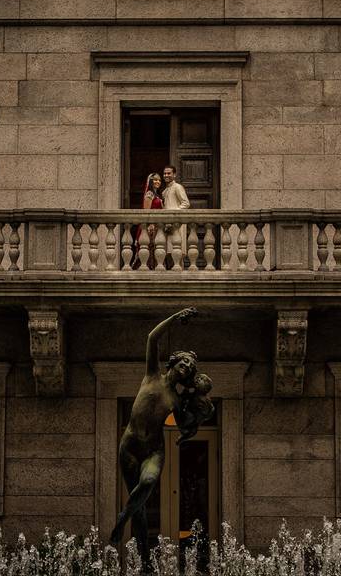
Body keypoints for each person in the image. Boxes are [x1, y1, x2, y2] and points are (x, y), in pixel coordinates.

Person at [110, 307, 199, 565]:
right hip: (129, 445)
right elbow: (152, 337)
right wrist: (175, 317)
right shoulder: (152, 375)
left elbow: (185, 427)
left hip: (154, 449)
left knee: (147, 483)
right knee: (141, 511)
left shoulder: (177, 399)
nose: (186, 366)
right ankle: (146, 563)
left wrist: (197, 415)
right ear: (174, 362)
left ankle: (121, 519)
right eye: (184, 361)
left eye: (190, 366)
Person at [161, 165, 190, 267]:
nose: (166, 175)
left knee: (177, 253)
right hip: (167, 225)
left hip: (176, 224)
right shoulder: (165, 191)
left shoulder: (177, 187)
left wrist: (173, 214)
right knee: (168, 253)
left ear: (174, 174)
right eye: (165, 173)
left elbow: (186, 203)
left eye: (169, 173)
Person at [132, 172, 162, 268]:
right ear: (150, 182)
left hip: (157, 226)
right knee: (148, 250)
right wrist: (151, 224)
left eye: (159, 180)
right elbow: (146, 212)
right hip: (150, 226)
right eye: (155, 180)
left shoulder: (156, 194)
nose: (158, 181)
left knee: (155, 250)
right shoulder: (149, 194)